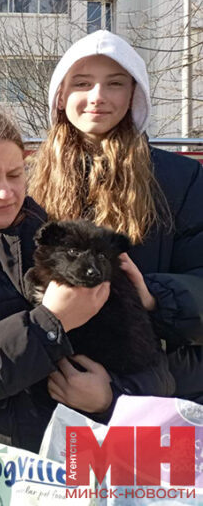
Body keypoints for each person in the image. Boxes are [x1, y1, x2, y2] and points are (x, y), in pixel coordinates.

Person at [0, 108, 174, 485]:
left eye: (15, 174)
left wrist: (111, 396)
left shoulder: (70, 245)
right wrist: (49, 324)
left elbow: (152, 366)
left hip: (75, 470)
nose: (6, 192)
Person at [29, 30, 203, 402]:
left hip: (152, 394)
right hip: (47, 390)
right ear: (60, 95)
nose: (97, 96)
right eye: (82, 83)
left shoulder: (181, 179)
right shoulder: (28, 180)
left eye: (115, 83)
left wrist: (153, 297)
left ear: (133, 94)